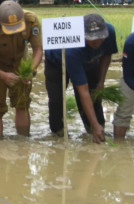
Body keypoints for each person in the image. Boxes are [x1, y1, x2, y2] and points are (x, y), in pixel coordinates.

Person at [44, 12, 116, 143]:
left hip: (89, 61)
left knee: (95, 96)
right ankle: (58, 134)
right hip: (57, 63)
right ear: (81, 34)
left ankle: (95, 131)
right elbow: (83, 91)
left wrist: (101, 81)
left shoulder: (110, 32)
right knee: (56, 100)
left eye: (100, 38)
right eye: (91, 38)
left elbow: (107, 55)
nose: (96, 42)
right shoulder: (73, 49)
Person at [0, 0, 43, 139]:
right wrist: (3, 75)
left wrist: (31, 71)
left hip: (20, 65)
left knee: (23, 103)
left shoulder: (31, 21)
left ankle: (23, 141)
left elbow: (38, 49)